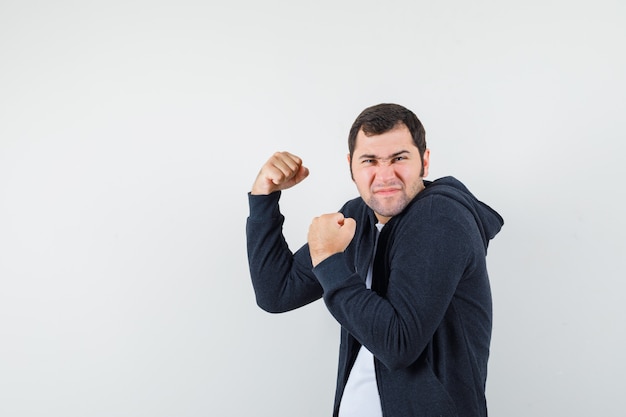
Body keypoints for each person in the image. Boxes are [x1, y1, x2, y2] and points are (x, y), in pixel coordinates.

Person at [246, 103, 504, 417]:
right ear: (351, 167)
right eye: (370, 160)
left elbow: (399, 345)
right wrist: (264, 198)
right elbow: (277, 292)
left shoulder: (441, 219)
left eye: (399, 158)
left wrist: (328, 258)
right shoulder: (357, 217)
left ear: (424, 160)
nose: (385, 175)